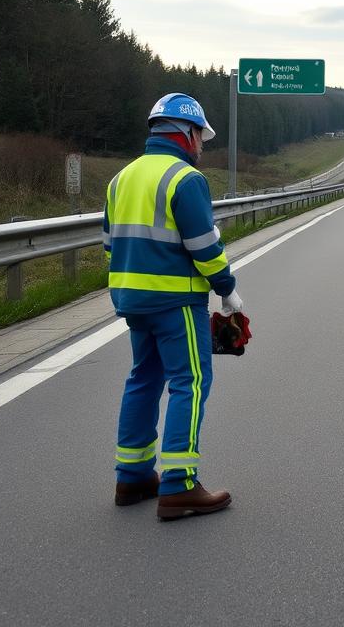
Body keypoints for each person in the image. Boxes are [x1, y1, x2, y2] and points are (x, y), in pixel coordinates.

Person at [104, 92, 241, 521]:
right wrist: (226, 287)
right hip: (176, 300)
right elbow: (203, 245)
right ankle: (179, 485)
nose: (202, 145)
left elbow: (111, 243)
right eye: (201, 136)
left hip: (131, 299)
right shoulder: (185, 179)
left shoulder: (121, 179)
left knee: (143, 378)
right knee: (191, 382)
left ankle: (132, 475)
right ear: (186, 132)